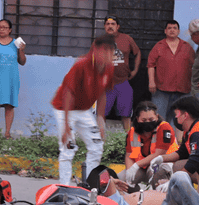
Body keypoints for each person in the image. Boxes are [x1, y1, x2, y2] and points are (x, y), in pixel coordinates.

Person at [51, 35, 115, 185]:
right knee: (68, 148)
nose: (107, 55)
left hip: (84, 110)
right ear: (95, 49)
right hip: (64, 109)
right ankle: (64, 186)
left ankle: (91, 185)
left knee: (97, 145)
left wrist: (100, 119)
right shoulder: (81, 65)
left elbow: (103, 93)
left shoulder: (109, 69)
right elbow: (68, 94)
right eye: (104, 50)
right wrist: (66, 126)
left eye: (111, 51)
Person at [154, 95, 199, 205]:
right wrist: (160, 158)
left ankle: (190, 198)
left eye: (176, 114)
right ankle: (185, 193)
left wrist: (172, 181)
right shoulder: (190, 131)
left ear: (185, 116)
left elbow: (195, 161)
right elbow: (181, 153)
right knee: (178, 166)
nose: (175, 118)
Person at [147, 20, 195, 133]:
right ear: (165, 31)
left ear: (178, 31)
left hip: (182, 89)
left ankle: (174, 145)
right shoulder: (158, 46)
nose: (172, 30)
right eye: (169, 28)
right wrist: (151, 82)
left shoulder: (187, 47)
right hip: (161, 89)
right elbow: (150, 65)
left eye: (174, 28)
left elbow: (195, 66)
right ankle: (157, 142)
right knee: (158, 118)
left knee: (179, 120)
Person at [118, 101, 177, 191]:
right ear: (137, 119)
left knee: (157, 170)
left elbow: (159, 154)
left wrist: (136, 166)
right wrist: (130, 170)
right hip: (143, 167)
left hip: (162, 165)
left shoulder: (164, 128)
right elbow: (128, 155)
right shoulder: (133, 132)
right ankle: (135, 197)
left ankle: (159, 198)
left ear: (157, 117)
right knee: (121, 179)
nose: (147, 122)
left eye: (151, 119)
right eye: (144, 120)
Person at [98, 15, 141, 132]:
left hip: (123, 82)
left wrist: (135, 70)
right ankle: (101, 141)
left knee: (126, 114)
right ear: (104, 26)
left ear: (118, 26)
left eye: (113, 24)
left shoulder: (126, 39)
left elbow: (137, 53)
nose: (110, 26)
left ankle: (128, 139)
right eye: (107, 24)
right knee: (101, 114)